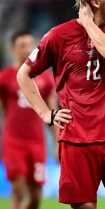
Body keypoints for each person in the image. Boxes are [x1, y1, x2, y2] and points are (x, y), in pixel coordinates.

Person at [16, 0, 105, 209]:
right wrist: (47, 114)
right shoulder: (57, 36)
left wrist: (87, 23)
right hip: (76, 140)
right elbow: (23, 74)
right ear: (96, 1)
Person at [0, 30, 58, 209]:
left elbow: (52, 113)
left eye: (30, 45)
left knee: (35, 198)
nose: (27, 50)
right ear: (13, 49)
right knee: (18, 189)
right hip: (14, 142)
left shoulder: (45, 79)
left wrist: (58, 142)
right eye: (22, 46)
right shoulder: (4, 78)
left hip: (37, 143)